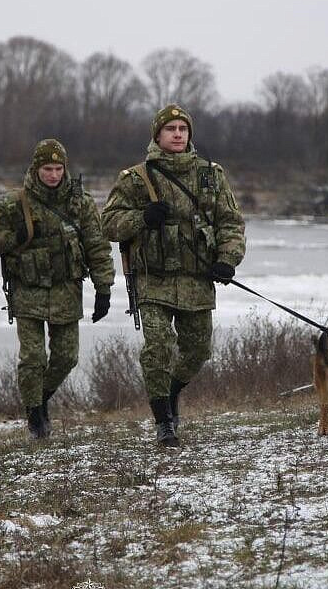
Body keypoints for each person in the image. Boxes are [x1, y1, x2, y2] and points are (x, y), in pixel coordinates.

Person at [102, 104, 246, 447]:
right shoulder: (136, 178)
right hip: (153, 278)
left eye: (183, 128)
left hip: (197, 277)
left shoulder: (211, 175)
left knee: (198, 350)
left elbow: (231, 223)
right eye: (171, 129)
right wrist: (142, 218)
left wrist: (227, 259)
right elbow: (108, 223)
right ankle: (164, 421)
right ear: (158, 135)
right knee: (159, 347)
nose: (178, 134)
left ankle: (171, 391)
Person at [0, 139, 114, 440]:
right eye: (47, 169)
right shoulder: (15, 203)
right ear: (36, 169)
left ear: (65, 169)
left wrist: (104, 289)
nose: (53, 175)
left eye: (58, 168)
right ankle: (36, 418)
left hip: (66, 290)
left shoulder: (81, 203)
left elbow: (97, 246)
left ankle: (40, 400)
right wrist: (15, 236)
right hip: (28, 291)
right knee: (33, 358)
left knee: (67, 357)